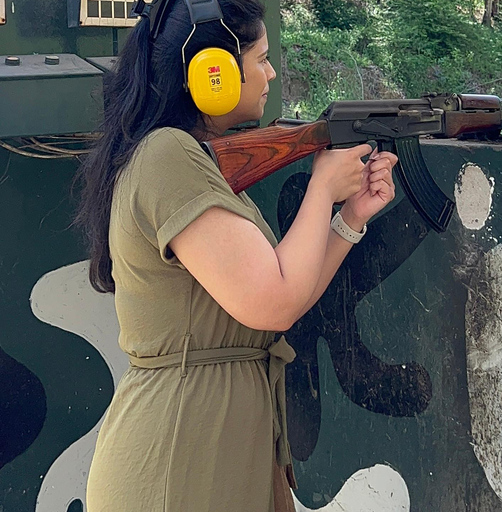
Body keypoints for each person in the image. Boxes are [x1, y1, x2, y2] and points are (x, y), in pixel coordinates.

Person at [73, 0, 396, 509]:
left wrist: (348, 217)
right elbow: (273, 301)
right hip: (180, 458)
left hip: (219, 447)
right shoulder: (168, 156)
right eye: (261, 59)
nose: (270, 73)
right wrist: (320, 189)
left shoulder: (196, 164)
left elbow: (283, 296)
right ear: (213, 73)